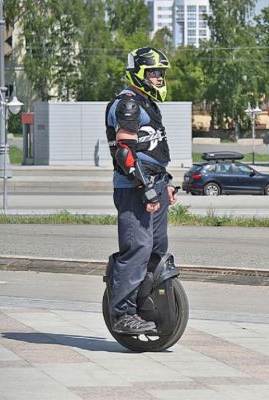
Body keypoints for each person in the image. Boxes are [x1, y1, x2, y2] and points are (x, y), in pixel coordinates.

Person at [105, 47, 178, 334]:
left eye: (161, 73)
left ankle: (144, 303)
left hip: (155, 184)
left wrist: (165, 183)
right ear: (139, 73)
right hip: (134, 188)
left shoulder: (147, 103)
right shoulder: (128, 104)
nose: (159, 78)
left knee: (157, 249)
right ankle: (123, 313)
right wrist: (145, 188)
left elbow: (153, 149)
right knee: (138, 247)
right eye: (154, 72)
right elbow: (124, 153)